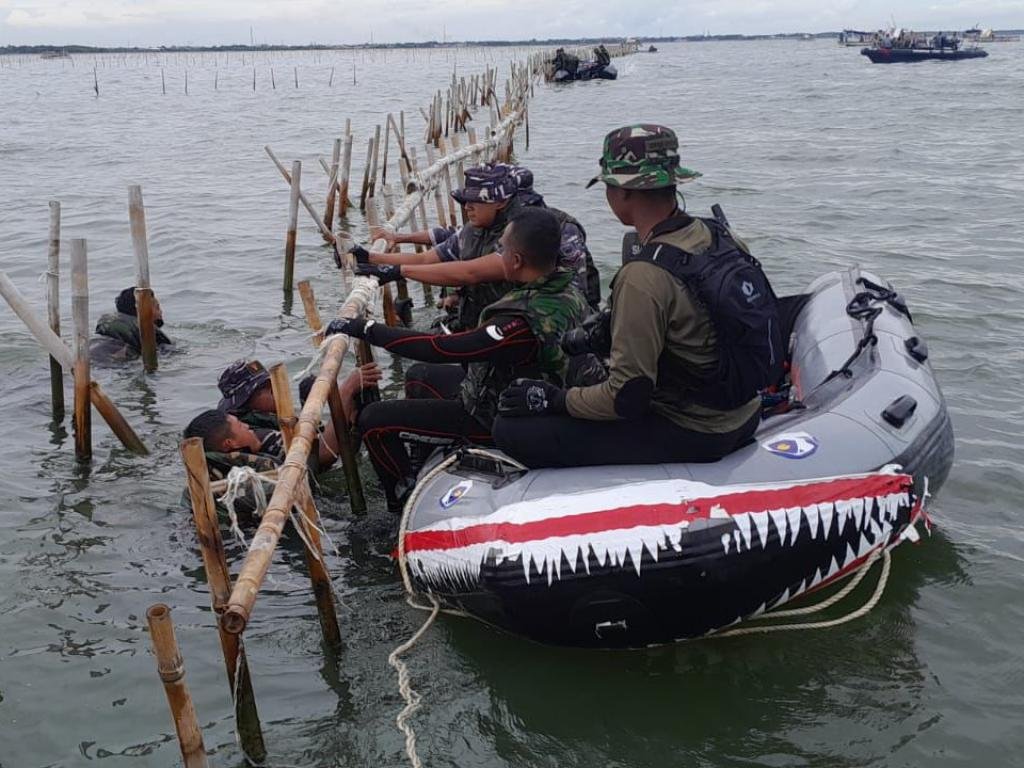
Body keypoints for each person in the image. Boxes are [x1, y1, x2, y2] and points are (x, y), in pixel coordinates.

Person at [493, 124, 782, 468]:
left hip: (696, 431)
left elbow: (626, 398)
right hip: (743, 414)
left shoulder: (643, 276)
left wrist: (554, 400)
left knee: (510, 428)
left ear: (624, 192)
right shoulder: (719, 235)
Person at [323, 207, 589, 511]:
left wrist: (365, 328)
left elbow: (443, 348)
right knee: (419, 376)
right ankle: (421, 463)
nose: (497, 253)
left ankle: (401, 504)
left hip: (498, 416)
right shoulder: (566, 286)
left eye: (502, 248)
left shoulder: (522, 321)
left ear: (515, 261)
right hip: (498, 388)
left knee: (373, 420)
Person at [351, 163, 601, 325]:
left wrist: (396, 272)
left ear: (502, 202)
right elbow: (429, 258)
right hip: (488, 321)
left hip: (539, 324)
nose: (467, 208)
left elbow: (469, 272)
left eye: (475, 202)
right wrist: (372, 258)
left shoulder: (524, 231)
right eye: (465, 202)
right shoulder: (475, 229)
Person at [216, 358, 381, 430]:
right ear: (245, 402)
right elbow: (326, 455)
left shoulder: (266, 418)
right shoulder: (255, 431)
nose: (275, 391)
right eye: (266, 389)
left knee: (309, 385)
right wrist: (347, 390)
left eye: (273, 384)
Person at [183, 408, 334, 482]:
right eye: (241, 425)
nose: (248, 426)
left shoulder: (221, 467)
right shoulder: (240, 480)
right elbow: (301, 484)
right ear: (229, 443)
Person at [89, 286, 172, 363]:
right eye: (157, 307)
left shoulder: (101, 340)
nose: (161, 312)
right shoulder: (126, 350)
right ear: (142, 311)